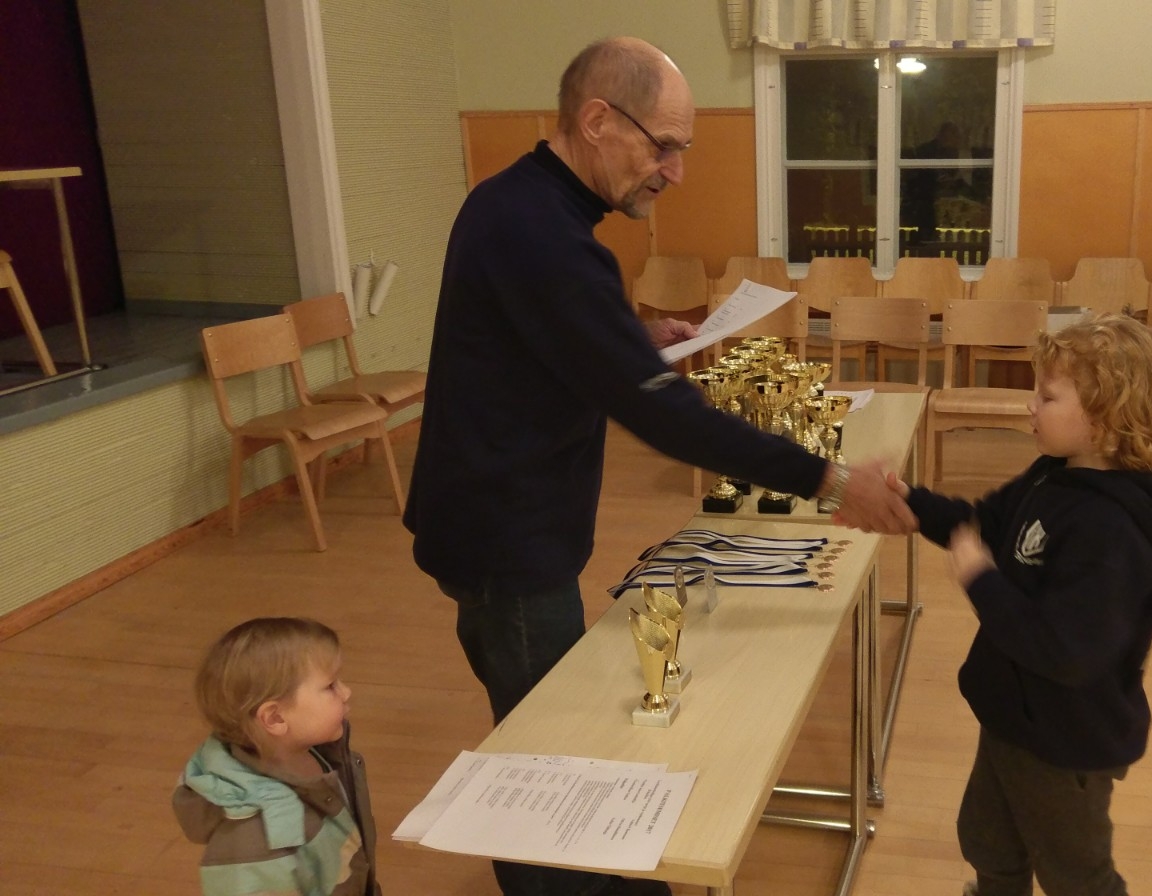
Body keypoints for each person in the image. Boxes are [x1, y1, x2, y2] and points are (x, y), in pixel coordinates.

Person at [403, 36, 915, 896]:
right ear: (597, 121)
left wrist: (627, 337)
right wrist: (831, 482)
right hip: (504, 535)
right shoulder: (548, 237)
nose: (674, 172)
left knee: (548, 731)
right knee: (544, 754)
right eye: (664, 146)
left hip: (497, 517)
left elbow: (528, 334)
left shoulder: (514, 202)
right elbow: (666, 418)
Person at [883, 314, 1152, 896]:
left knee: (1076, 876)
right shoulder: (1053, 475)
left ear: (1104, 419)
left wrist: (982, 581)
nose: (1031, 405)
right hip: (1013, 717)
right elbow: (983, 525)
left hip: (1066, 740)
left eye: (1047, 396)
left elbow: (1065, 650)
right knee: (988, 842)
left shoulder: (1109, 532)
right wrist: (914, 505)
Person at [173, 617, 379, 896]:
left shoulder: (314, 752)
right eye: (330, 686)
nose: (346, 692)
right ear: (275, 718)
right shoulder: (257, 842)